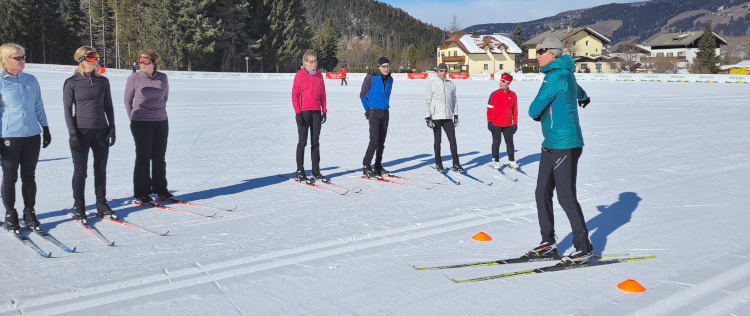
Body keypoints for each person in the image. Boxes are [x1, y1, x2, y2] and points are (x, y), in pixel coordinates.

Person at [523, 37, 593, 265]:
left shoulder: (555, 76)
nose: (537, 55)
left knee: (565, 196)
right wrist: (583, 98)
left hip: (565, 143)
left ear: (553, 53)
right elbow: (579, 91)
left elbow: (534, 109)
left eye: (541, 51)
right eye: (536, 51)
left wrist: (537, 114)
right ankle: (548, 243)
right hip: (553, 142)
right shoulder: (566, 74)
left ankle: (583, 248)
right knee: (541, 190)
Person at [0, 43, 51, 232]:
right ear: (6, 60)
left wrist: (45, 127)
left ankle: (29, 212)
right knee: (10, 176)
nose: (23, 60)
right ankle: (10, 213)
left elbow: (38, 105)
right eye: (18, 58)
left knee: (29, 176)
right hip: (9, 137)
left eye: (23, 56)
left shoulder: (31, 79)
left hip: (32, 135)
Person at [63, 46, 117, 222]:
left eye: (96, 57)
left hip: (101, 131)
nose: (95, 61)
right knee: (80, 172)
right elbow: (67, 110)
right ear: (81, 60)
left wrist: (112, 127)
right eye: (90, 57)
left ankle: (101, 204)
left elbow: (108, 106)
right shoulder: (71, 82)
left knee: (100, 170)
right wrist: (73, 134)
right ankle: (79, 206)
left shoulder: (103, 82)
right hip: (81, 131)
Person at [124, 49, 172, 204]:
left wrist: (158, 112)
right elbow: (127, 101)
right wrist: (134, 118)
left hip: (161, 121)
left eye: (146, 61)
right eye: (140, 60)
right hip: (141, 122)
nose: (142, 63)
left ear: (154, 62)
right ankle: (141, 193)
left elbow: (165, 98)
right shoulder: (134, 78)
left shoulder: (162, 77)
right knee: (143, 157)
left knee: (159, 157)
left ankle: (160, 190)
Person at [291, 51, 327, 182]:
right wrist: (298, 112)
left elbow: (323, 94)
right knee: (302, 142)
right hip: (304, 112)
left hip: (316, 111)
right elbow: (295, 95)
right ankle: (300, 171)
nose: (314, 64)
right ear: (305, 62)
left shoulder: (319, 76)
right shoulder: (300, 76)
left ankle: (315, 171)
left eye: (315, 61)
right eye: (311, 61)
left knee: (315, 142)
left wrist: (324, 110)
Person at [424, 63, 463, 173]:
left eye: (445, 70)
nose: (443, 72)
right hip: (436, 117)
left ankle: (456, 163)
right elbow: (427, 102)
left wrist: (455, 115)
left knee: (453, 141)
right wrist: (428, 117)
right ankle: (438, 162)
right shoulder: (431, 85)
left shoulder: (451, 84)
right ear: (437, 71)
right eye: (441, 70)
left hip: (448, 117)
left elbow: (454, 101)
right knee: (438, 141)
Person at [360, 57, 393, 179]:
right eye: (383, 66)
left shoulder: (390, 79)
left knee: (381, 142)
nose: (386, 68)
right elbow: (363, 95)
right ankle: (366, 167)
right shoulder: (371, 78)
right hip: (374, 112)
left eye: (387, 66)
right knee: (374, 141)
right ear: (379, 67)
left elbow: (387, 95)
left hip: (385, 112)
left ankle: (378, 166)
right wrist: (368, 109)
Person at [487, 73, 518, 169]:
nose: (501, 83)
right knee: (496, 142)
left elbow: (515, 110)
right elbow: (489, 109)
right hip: (496, 123)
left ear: (508, 83)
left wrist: (515, 123)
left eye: (503, 81)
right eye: (500, 81)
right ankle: (495, 161)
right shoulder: (494, 94)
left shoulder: (513, 95)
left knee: (510, 142)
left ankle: (512, 161)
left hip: (508, 123)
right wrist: (489, 121)